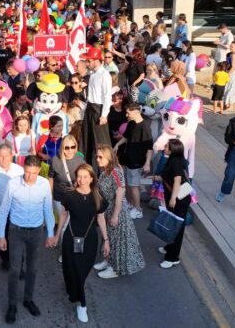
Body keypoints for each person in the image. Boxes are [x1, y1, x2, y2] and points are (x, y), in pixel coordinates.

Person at [0, 155, 58, 324]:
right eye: (27, 172)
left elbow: (47, 208)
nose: (29, 176)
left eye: (33, 173)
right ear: (23, 168)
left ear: (39, 171)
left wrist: (50, 233)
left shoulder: (44, 184)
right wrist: (1, 235)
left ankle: (28, 299)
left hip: (36, 232)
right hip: (16, 231)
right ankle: (12, 305)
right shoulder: (13, 183)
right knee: (15, 270)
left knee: (33, 269)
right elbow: (4, 210)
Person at [54, 164, 109, 323]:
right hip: (71, 239)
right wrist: (57, 235)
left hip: (90, 240)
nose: (82, 180)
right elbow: (64, 215)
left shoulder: (97, 196)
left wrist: (106, 241)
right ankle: (82, 304)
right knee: (72, 271)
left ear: (91, 178)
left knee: (82, 272)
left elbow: (100, 219)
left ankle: (76, 293)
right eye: (79, 176)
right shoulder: (70, 196)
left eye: (85, 176)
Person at [92, 145, 145, 277]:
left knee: (116, 239)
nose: (97, 159)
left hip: (117, 211)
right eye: (96, 156)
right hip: (107, 209)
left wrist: (115, 215)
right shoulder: (105, 171)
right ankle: (108, 260)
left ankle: (115, 268)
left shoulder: (115, 172)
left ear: (109, 157)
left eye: (100, 157)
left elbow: (120, 194)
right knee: (108, 237)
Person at [113, 103, 153, 219]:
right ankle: (131, 204)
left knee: (134, 185)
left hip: (137, 161)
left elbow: (149, 148)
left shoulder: (144, 127)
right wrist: (117, 144)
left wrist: (147, 163)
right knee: (130, 184)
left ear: (136, 112)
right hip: (128, 159)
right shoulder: (131, 123)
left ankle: (138, 209)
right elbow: (126, 137)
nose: (126, 115)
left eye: (128, 113)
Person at [157, 139, 190, 269]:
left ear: (173, 149)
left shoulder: (175, 162)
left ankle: (172, 258)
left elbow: (177, 180)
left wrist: (173, 198)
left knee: (176, 227)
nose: (164, 147)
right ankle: (169, 247)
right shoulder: (173, 159)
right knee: (172, 223)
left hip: (179, 199)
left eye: (167, 146)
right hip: (177, 197)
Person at [49, 135, 85, 241]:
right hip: (59, 197)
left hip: (75, 197)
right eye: (67, 147)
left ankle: (67, 249)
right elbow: (51, 178)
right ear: (62, 148)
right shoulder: (55, 160)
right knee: (63, 223)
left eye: (72, 147)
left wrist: (76, 187)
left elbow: (85, 178)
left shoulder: (80, 160)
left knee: (70, 224)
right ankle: (64, 250)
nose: (70, 150)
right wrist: (50, 196)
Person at [80, 46, 112, 167]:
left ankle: (107, 169)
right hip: (89, 109)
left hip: (98, 110)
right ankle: (87, 168)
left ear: (95, 60)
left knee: (101, 143)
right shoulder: (92, 75)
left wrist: (104, 115)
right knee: (87, 141)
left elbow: (107, 96)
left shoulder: (105, 75)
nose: (87, 63)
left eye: (88, 61)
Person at [223, 40, 235, 112]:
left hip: (232, 73)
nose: (230, 47)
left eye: (232, 46)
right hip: (231, 72)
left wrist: (227, 75)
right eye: (230, 46)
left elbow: (233, 67)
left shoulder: (234, 55)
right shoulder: (232, 54)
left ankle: (231, 106)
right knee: (228, 88)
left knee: (231, 89)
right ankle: (227, 104)